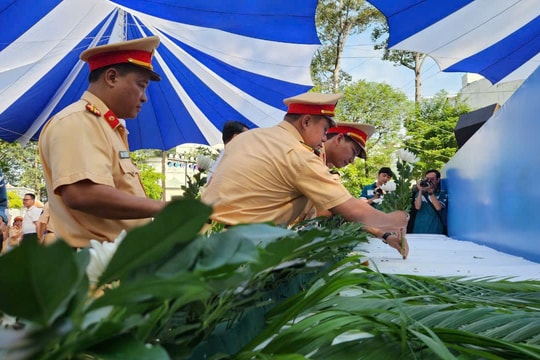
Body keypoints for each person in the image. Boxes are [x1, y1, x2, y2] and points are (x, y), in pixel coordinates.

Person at [201, 91, 408, 233]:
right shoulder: (299, 154)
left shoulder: (250, 137)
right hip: (234, 253)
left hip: (201, 238)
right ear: (306, 121)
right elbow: (349, 209)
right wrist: (392, 221)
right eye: (325, 130)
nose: (324, 138)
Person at [38, 36, 167, 248]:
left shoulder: (106, 127)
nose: (144, 97)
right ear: (112, 77)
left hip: (110, 263)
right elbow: (82, 194)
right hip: (91, 266)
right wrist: (163, 208)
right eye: (141, 85)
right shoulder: (78, 121)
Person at [319, 122, 408, 258]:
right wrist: (390, 221)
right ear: (339, 139)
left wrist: (385, 235)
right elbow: (352, 211)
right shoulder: (310, 162)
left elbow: (346, 215)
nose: (352, 161)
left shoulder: (321, 168)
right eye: (353, 152)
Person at [411, 169, 448, 234]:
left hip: (435, 229)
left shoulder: (442, 194)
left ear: (438, 180)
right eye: (427, 179)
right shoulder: (420, 194)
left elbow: (438, 207)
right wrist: (420, 190)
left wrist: (430, 192)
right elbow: (417, 207)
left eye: (432, 179)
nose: (429, 181)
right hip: (419, 228)